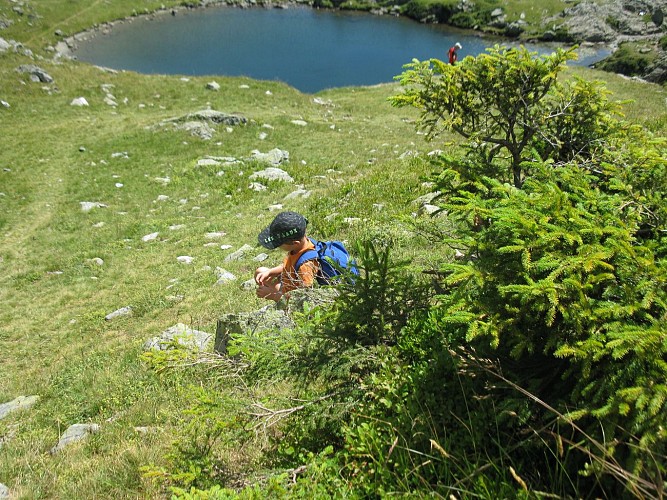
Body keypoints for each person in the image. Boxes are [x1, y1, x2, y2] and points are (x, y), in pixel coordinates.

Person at [254, 211, 319, 302]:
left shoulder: (306, 266)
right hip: (288, 283)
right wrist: (270, 272)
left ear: (295, 243)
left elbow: (303, 298)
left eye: (280, 244)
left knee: (264, 280)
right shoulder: (301, 246)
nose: (278, 247)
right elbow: (290, 265)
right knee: (260, 272)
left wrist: (272, 295)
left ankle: (281, 304)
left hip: (292, 295)